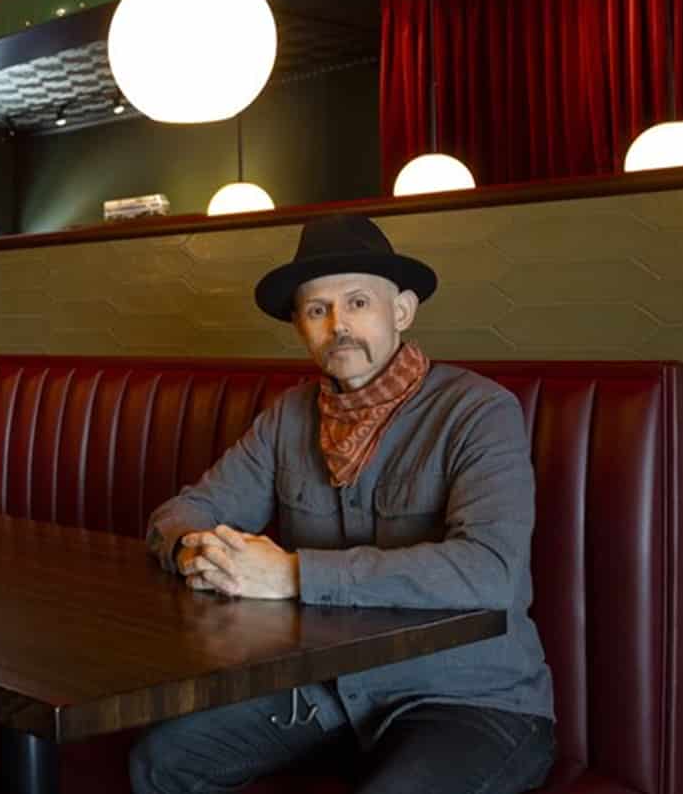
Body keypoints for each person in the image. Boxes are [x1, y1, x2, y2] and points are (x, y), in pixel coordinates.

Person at [130, 214, 556, 794]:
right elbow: (181, 514)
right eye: (316, 310)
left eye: (358, 303)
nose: (339, 327)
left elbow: (490, 574)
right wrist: (195, 551)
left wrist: (293, 574)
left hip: (471, 698)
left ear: (401, 311)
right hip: (327, 688)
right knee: (162, 759)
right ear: (301, 329)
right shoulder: (288, 418)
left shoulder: (479, 411)